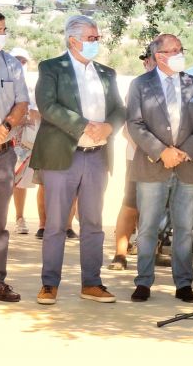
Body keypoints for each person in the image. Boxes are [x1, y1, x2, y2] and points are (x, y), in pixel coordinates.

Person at [32, 15, 125, 305]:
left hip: (97, 157)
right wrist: (84, 126)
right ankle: (49, 284)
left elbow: (119, 109)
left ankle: (92, 283)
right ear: (73, 40)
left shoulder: (107, 73)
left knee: (93, 223)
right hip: (62, 156)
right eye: (91, 38)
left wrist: (108, 127)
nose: (96, 42)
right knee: (56, 224)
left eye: (97, 38)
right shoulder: (51, 68)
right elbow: (47, 105)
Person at [126, 33, 193, 303]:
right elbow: (134, 124)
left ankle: (184, 283)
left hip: (187, 166)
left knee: (184, 228)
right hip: (153, 166)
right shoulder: (140, 84)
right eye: (174, 50)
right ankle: (144, 281)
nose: (180, 53)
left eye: (180, 48)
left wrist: (185, 151)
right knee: (148, 227)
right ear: (159, 56)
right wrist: (162, 152)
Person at [0, 11, 30, 302]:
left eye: (4, 30)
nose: (2, 35)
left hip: (2, 156)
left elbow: (22, 103)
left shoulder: (11, 64)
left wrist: (3, 128)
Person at [108, 44, 157, 270]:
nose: (150, 63)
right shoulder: (137, 86)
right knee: (131, 205)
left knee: (155, 208)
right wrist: (148, 151)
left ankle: (150, 253)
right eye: (150, 59)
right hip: (138, 157)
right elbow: (128, 128)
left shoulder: (180, 85)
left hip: (166, 159)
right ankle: (120, 254)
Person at [9, 47, 39, 236]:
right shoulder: (0, 81)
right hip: (1, 140)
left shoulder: (33, 86)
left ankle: (19, 218)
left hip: (25, 143)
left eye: (23, 61)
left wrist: (28, 117)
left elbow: (37, 113)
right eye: (17, 60)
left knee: (19, 182)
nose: (20, 64)